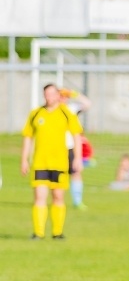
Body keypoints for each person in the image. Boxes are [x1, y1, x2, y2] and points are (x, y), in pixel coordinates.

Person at [21, 83, 83, 240]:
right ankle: (38, 233)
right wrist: (24, 159)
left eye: (52, 94)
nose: (49, 97)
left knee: (58, 197)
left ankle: (57, 232)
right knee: (39, 197)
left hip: (59, 163)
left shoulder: (66, 113)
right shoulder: (36, 114)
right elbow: (28, 137)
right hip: (40, 163)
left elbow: (76, 135)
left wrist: (77, 158)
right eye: (46, 94)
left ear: (58, 95)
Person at [60, 88, 91, 210]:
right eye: (61, 96)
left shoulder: (72, 108)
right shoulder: (51, 110)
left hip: (71, 146)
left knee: (76, 173)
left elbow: (87, 104)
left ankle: (77, 201)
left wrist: (73, 94)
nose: (63, 98)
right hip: (56, 147)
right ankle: (58, 201)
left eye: (65, 96)